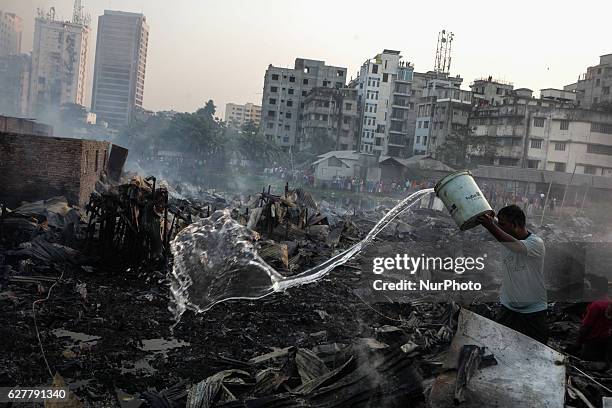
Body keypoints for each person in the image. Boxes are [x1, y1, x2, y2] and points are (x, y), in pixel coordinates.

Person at [478, 204, 548, 344]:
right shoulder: (506, 236)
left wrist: (490, 226)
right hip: (508, 308)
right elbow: (501, 230)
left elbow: (516, 246)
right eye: (499, 224)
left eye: (503, 225)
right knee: (501, 349)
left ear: (515, 225)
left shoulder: (535, 243)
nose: (499, 228)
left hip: (532, 311)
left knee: (535, 351)